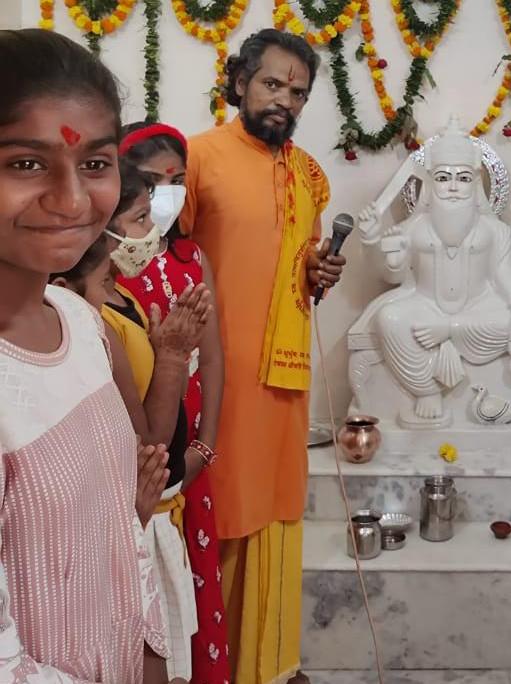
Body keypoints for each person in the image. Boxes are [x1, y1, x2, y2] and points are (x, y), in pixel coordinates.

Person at [0, 28, 171, 682]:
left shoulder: (77, 319)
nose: (73, 201)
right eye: (26, 164)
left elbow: (122, 541)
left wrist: (152, 655)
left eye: (95, 164)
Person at [178, 28, 346, 684]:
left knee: (277, 506)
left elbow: (297, 269)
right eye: (272, 83)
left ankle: (270, 664)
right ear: (240, 81)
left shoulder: (309, 175)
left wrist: (318, 272)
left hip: (283, 377)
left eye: (298, 92)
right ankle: (213, 667)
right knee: (220, 507)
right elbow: (164, 261)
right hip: (216, 379)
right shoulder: (197, 158)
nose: (284, 100)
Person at [53, 160, 212, 681]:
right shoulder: (90, 322)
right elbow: (146, 443)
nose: (152, 230)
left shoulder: (118, 299)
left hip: (150, 514)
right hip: (130, 521)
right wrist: (172, 356)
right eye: (140, 217)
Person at [117, 121, 231, 684]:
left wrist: (203, 449)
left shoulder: (191, 258)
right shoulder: (111, 270)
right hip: (139, 466)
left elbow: (213, 359)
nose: (167, 193)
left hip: (190, 459)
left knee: (196, 581)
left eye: (178, 180)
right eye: (153, 181)